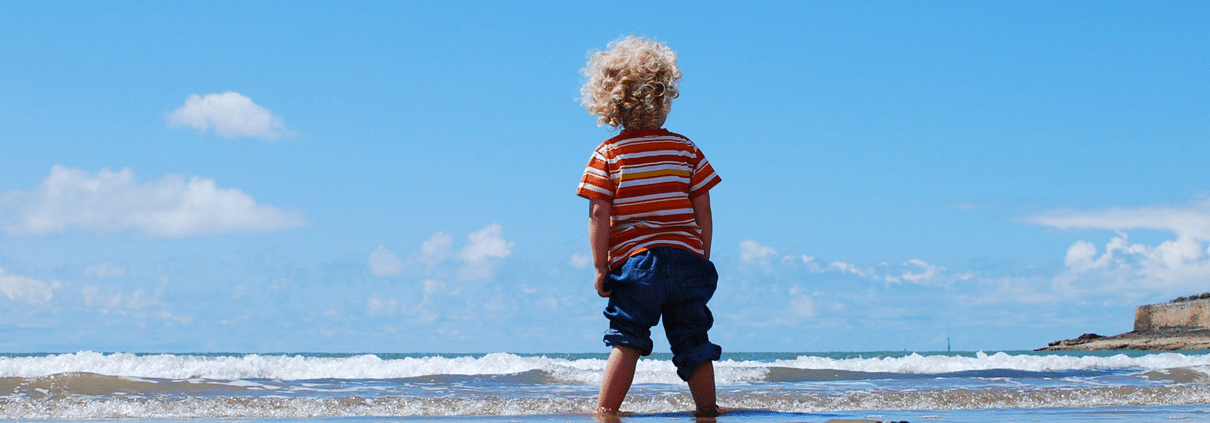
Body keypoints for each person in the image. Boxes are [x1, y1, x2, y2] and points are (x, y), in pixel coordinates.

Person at [575, 35, 723, 417]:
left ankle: (607, 410)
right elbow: (703, 207)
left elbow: (598, 214)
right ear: (664, 98)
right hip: (688, 260)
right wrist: (701, 252)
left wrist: (600, 267)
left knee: (627, 339)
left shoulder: (608, 154)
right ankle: (707, 409)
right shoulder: (686, 149)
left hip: (637, 266)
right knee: (693, 339)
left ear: (611, 104)